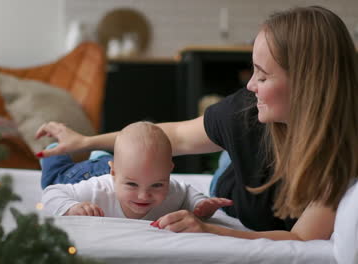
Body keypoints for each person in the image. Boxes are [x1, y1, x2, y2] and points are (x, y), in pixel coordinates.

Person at [36, 6, 357, 240]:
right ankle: (96, 161)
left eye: (263, 75)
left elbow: (302, 239)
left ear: (307, 83)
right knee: (127, 165)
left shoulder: (341, 153)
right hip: (230, 179)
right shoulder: (246, 112)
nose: (250, 85)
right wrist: (87, 142)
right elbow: (175, 135)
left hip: (251, 176)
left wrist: (208, 229)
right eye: (252, 72)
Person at [40, 122, 232, 220]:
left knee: (123, 165)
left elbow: (188, 193)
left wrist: (201, 204)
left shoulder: (172, 190)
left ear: (169, 171)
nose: (144, 195)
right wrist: (71, 208)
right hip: (89, 173)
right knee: (54, 178)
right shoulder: (96, 190)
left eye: (157, 184)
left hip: (122, 165)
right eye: (132, 185)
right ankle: (54, 152)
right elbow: (52, 193)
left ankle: (101, 157)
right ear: (113, 173)